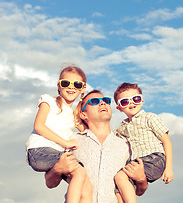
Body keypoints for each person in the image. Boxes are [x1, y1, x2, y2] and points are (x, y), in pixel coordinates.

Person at [44, 90, 148, 203]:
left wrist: (142, 180)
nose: (103, 103)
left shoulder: (127, 144)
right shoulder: (70, 140)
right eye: (94, 101)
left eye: (106, 100)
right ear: (83, 115)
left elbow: (138, 191)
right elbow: (50, 183)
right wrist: (57, 169)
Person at [25, 65, 92, 203]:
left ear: (82, 88)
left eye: (77, 84)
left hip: (54, 154)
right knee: (79, 172)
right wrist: (66, 143)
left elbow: (88, 132)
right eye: (66, 83)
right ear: (59, 86)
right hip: (40, 151)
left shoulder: (74, 115)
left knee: (85, 184)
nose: (71, 87)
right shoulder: (49, 101)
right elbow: (38, 126)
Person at [113, 83, 174, 203]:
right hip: (137, 162)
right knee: (119, 190)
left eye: (136, 99)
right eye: (125, 102)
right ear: (119, 107)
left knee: (120, 176)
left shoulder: (149, 118)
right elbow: (108, 135)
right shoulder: (123, 128)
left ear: (142, 101)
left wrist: (169, 169)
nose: (131, 103)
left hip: (154, 158)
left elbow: (167, 142)